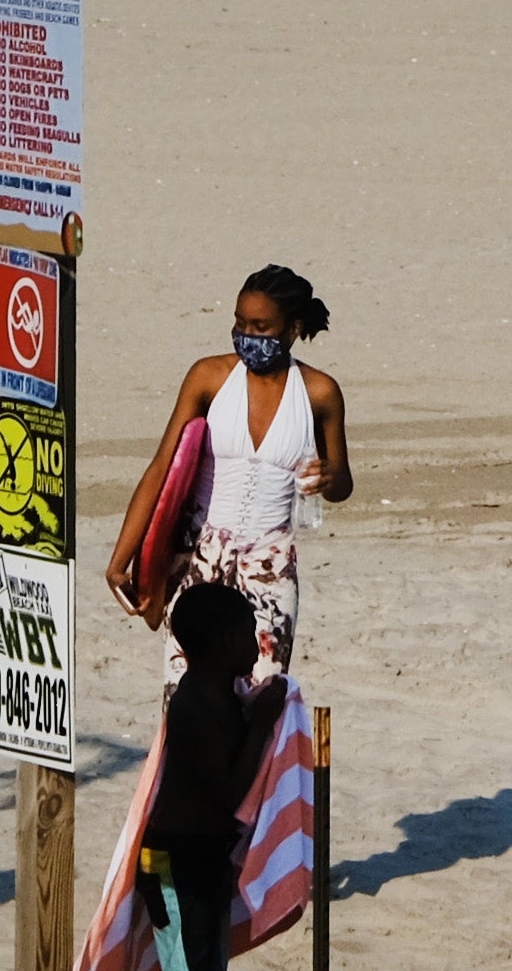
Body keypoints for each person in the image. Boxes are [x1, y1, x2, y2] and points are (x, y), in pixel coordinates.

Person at [115, 264, 348, 685]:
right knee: (185, 694)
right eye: (240, 323)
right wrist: (123, 558)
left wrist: (329, 478)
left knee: (261, 696)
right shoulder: (209, 377)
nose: (247, 335)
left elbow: (341, 486)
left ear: (292, 328)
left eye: (261, 326)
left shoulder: (319, 393)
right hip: (199, 560)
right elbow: (162, 469)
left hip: (271, 565)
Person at [132, 573, 287, 971]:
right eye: (248, 632)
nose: (257, 642)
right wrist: (264, 721)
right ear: (223, 642)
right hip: (174, 862)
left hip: (199, 857)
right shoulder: (198, 701)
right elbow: (228, 789)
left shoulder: (215, 693)